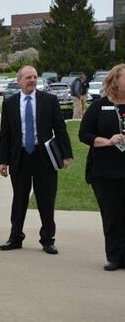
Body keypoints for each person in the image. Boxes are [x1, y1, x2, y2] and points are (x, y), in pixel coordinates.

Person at [0, 65, 72, 254]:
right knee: (19, 199)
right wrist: (3, 161)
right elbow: (5, 134)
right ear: (19, 80)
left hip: (44, 157)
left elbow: (60, 129)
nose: (32, 80)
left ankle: (47, 239)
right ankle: (15, 237)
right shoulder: (10, 103)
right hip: (20, 157)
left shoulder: (49, 100)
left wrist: (66, 155)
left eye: (35, 77)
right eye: (28, 77)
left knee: (46, 199)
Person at [78, 64, 125, 271]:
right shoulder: (99, 106)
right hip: (106, 172)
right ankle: (115, 256)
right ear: (116, 81)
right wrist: (106, 141)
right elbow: (84, 134)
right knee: (112, 214)